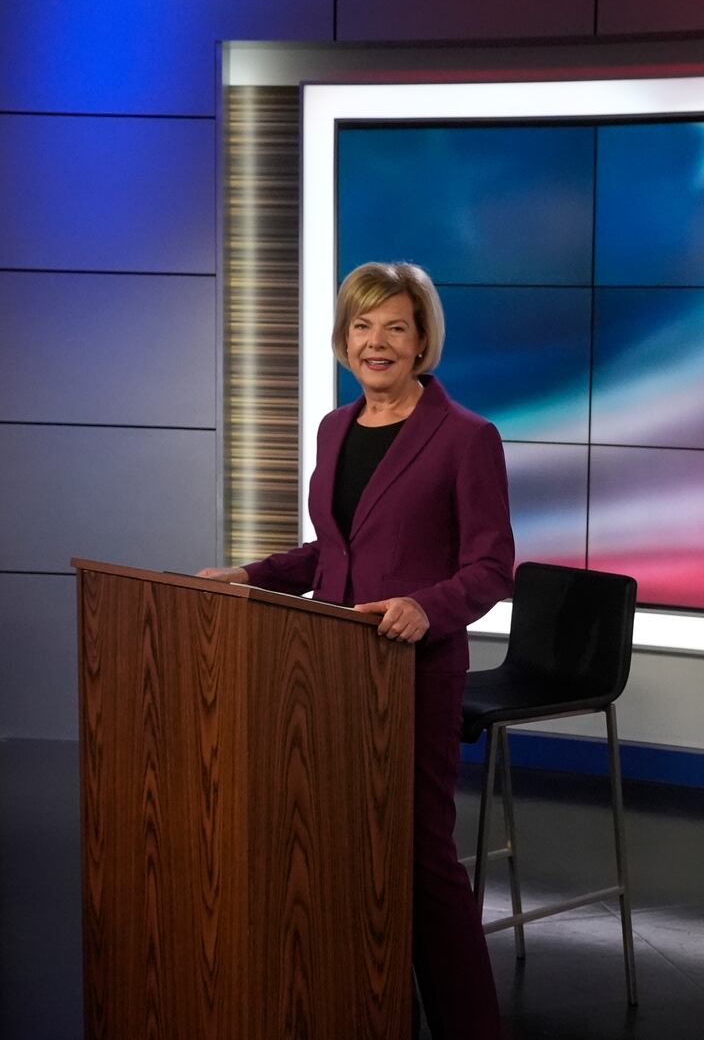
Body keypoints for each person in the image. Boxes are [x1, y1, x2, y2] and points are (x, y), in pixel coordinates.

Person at [202, 261, 513, 1039]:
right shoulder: (335, 428)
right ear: (344, 341)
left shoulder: (467, 438)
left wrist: (423, 605)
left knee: (421, 861)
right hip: (329, 673)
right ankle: (364, 1003)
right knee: (341, 850)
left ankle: (469, 1025)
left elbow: (490, 566)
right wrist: (250, 575)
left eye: (395, 327)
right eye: (362, 327)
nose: (376, 342)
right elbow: (333, 551)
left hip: (412, 673)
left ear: (421, 342)